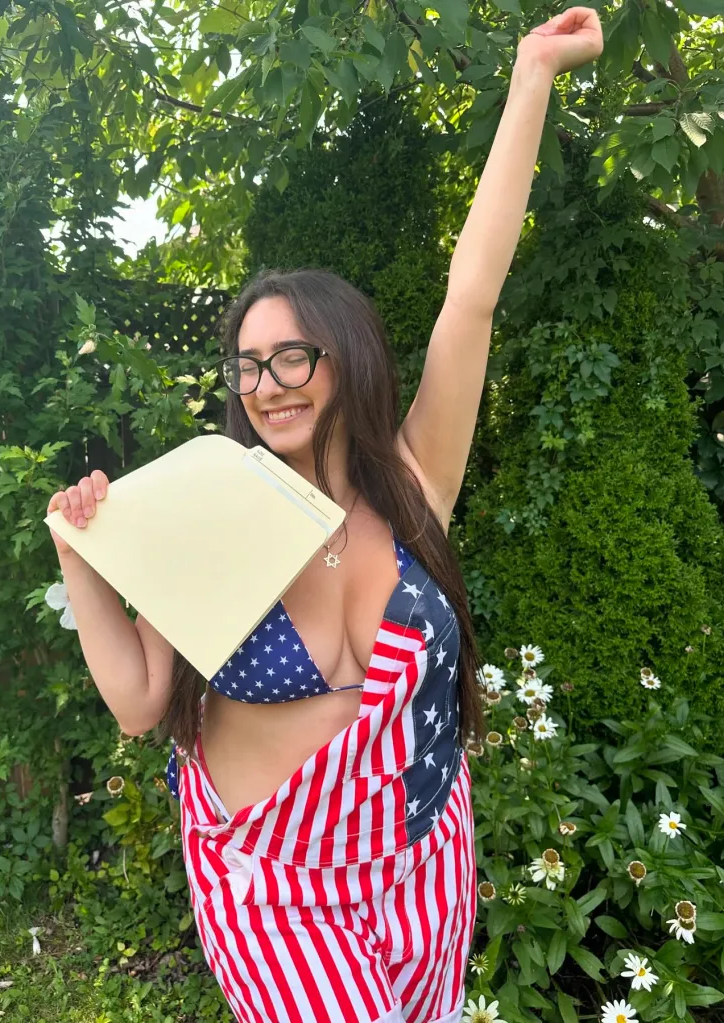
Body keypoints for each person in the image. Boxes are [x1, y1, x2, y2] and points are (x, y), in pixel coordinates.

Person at [47, 10, 603, 1021]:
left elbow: (470, 297)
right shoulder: (211, 514)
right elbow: (136, 704)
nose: (269, 382)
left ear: (347, 355)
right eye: (251, 364)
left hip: (424, 851)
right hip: (276, 890)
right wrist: (78, 546)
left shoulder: (413, 481)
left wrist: (531, 75)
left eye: (293, 353)